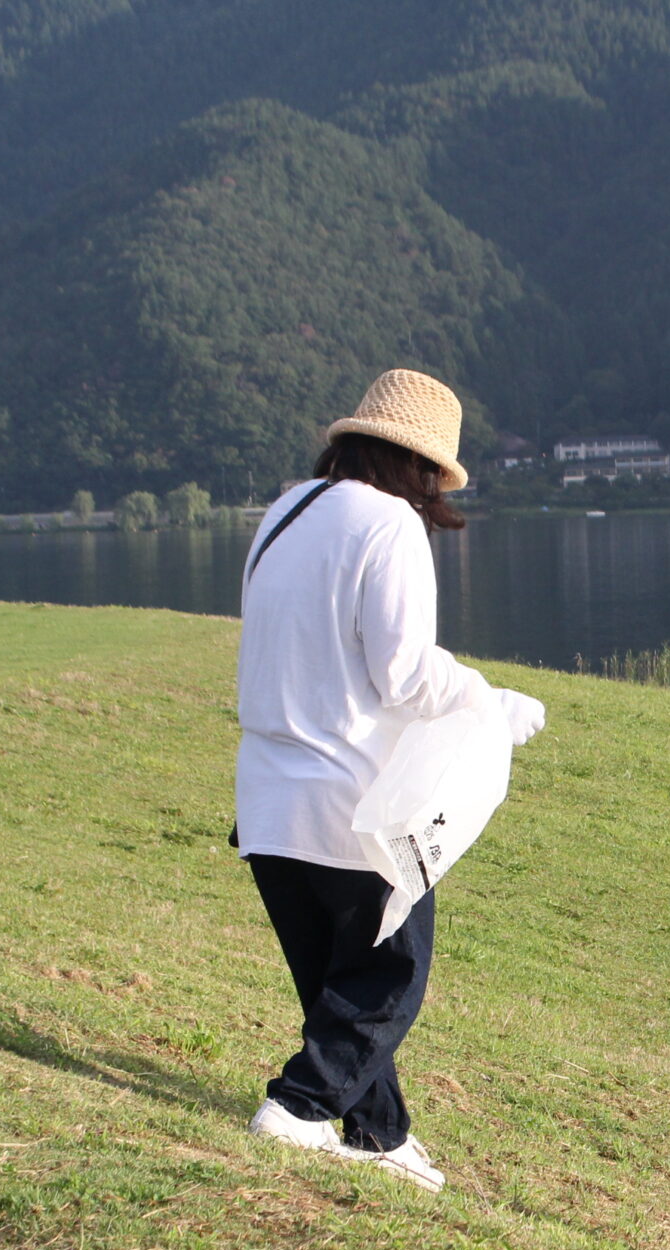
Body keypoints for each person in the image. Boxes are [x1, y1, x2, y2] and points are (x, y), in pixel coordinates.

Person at [234, 369, 547, 1194]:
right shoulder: (389, 527)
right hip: (348, 806)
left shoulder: (287, 511)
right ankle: (297, 1109)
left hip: (266, 804)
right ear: (424, 469)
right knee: (390, 977)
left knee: (336, 987)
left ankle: (379, 1132)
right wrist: (490, 701)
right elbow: (405, 676)